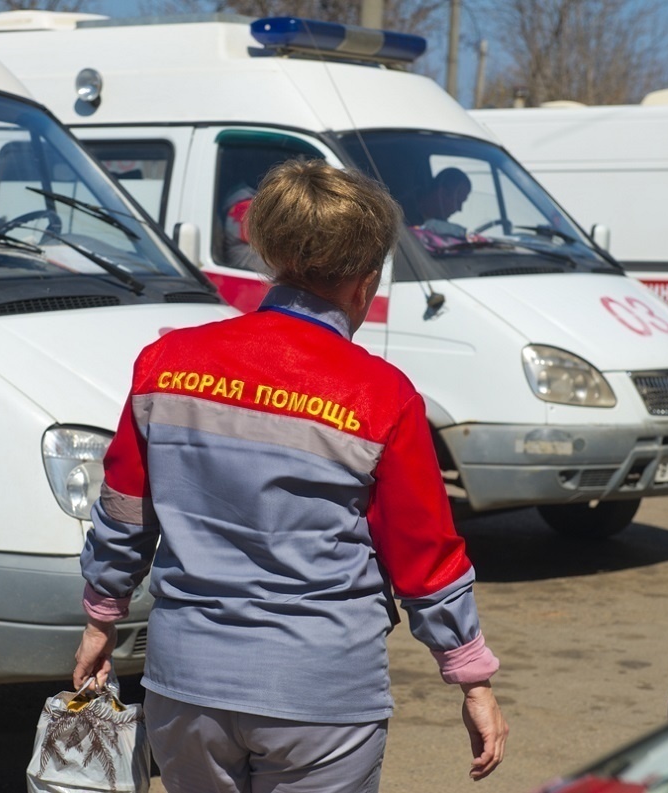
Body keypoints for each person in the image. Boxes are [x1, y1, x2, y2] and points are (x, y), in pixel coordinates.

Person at [73, 159, 508, 792]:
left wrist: (99, 618)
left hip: (185, 682)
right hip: (323, 696)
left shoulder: (166, 365)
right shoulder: (384, 397)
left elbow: (124, 511)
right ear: (364, 281)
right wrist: (471, 677)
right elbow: (425, 555)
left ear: (269, 256)